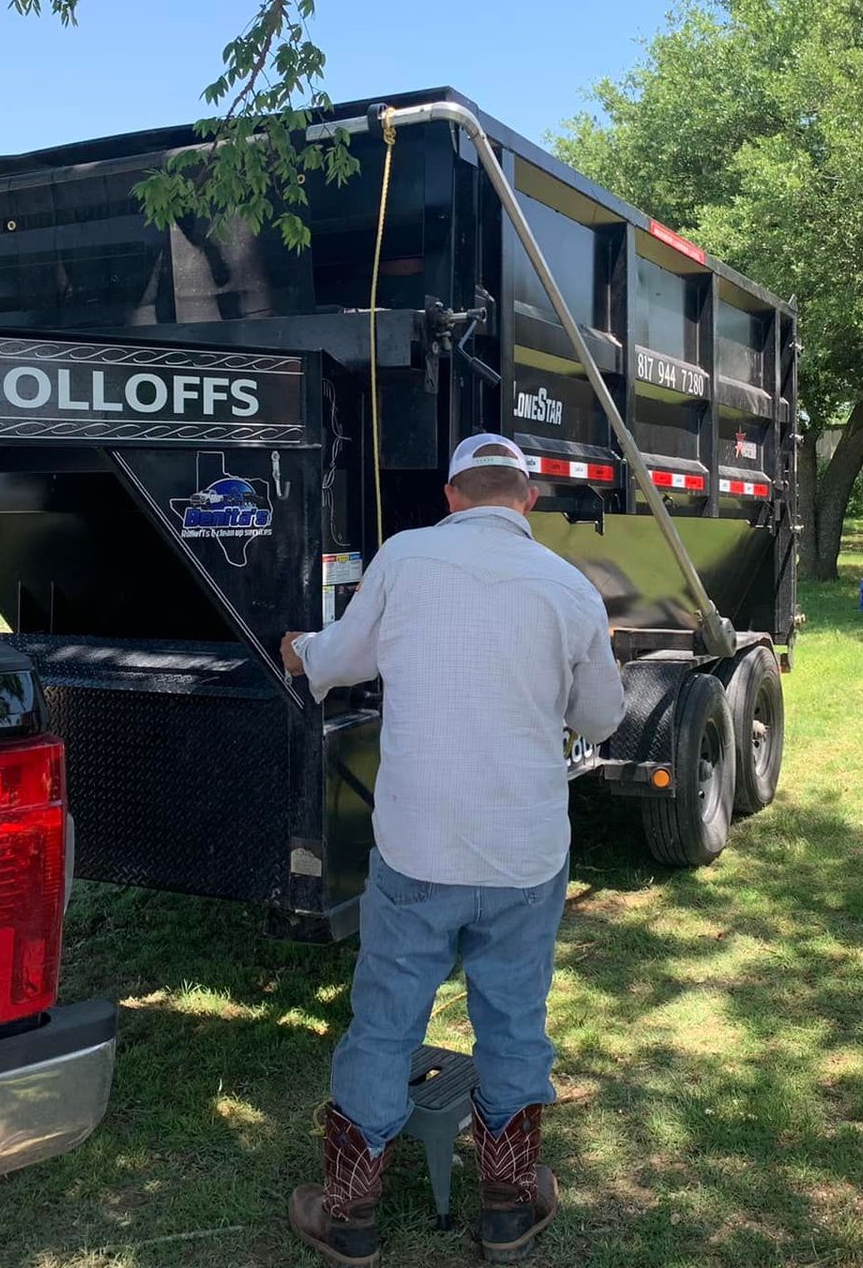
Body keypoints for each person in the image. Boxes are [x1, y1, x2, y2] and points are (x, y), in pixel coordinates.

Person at [279, 433, 625, 1266]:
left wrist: (302, 651)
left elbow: (337, 660)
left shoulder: (404, 559)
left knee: (387, 1016)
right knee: (513, 1016)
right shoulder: (569, 586)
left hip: (418, 849)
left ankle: (350, 1210)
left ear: (450, 495)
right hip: (524, 854)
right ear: (528, 499)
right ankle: (509, 1203)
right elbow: (605, 718)